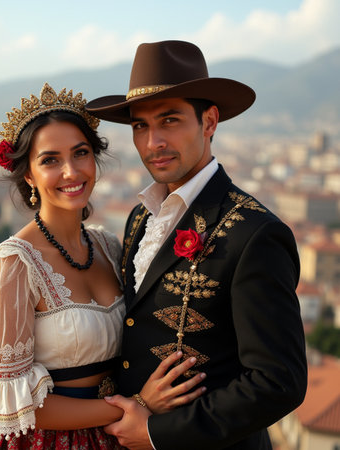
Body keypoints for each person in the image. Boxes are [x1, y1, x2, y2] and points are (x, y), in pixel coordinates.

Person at [0, 82, 207, 449]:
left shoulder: (107, 246)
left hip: (118, 435)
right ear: (29, 174)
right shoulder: (13, 265)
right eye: (50, 160)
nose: (71, 172)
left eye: (80, 153)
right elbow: (18, 407)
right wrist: (136, 406)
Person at [86, 40, 308, 449]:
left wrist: (156, 434)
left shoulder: (255, 233)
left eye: (169, 120)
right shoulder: (141, 218)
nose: (153, 142)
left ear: (209, 122)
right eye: (140, 126)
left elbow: (279, 382)